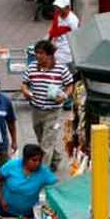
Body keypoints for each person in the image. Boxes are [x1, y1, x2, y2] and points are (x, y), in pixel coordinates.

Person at [21, 40, 74, 169]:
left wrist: (64, 96)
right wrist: (26, 92)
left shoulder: (61, 69)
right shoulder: (32, 67)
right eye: (37, 53)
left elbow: (70, 85)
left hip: (53, 112)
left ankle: (42, 171)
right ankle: (56, 158)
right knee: (42, 139)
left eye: (41, 53)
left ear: (50, 55)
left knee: (46, 144)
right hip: (36, 109)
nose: (38, 56)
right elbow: (24, 83)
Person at [0, 144, 57, 218]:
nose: (37, 163)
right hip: (7, 212)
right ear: (25, 159)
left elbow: (56, 186)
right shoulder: (12, 166)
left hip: (29, 215)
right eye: (34, 160)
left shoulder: (43, 171)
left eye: (40, 160)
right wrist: (1, 199)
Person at [48, 0, 79, 65]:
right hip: (56, 52)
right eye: (56, 7)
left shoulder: (73, 21)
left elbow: (76, 39)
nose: (57, 9)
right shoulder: (57, 15)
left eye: (60, 8)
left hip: (67, 56)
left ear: (67, 8)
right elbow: (53, 31)